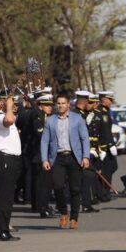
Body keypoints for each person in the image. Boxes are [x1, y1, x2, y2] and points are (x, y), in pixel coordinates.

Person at [41, 93, 91, 230]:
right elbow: (45, 141)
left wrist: (86, 156)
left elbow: (85, 138)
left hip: (74, 157)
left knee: (75, 188)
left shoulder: (77, 119)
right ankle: (64, 212)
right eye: (58, 103)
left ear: (68, 104)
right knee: (57, 186)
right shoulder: (51, 120)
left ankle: (74, 217)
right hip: (57, 157)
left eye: (63, 103)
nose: (61, 106)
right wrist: (44, 159)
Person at [0, 91, 22, 241]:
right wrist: (8, 106)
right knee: (5, 196)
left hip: (12, 159)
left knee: (8, 196)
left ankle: (4, 228)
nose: (13, 105)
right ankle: (1, 231)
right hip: (4, 159)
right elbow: (8, 119)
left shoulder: (9, 116)